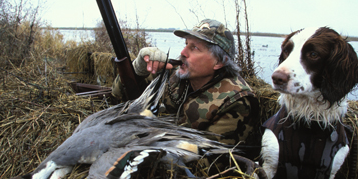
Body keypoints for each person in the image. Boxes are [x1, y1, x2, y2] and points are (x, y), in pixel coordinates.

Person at [111, 19, 259, 148]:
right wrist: (138, 69)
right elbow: (118, 96)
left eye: (194, 48)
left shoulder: (236, 100)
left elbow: (207, 163)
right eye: (186, 44)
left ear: (219, 62)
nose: (182, 52)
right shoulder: (175, 73)